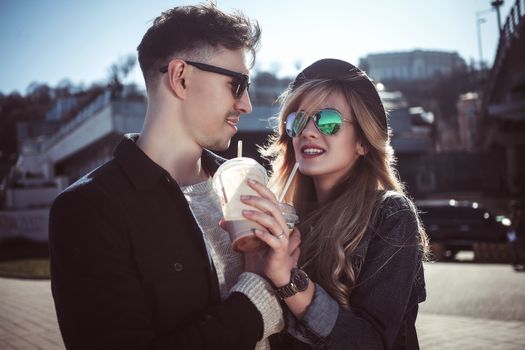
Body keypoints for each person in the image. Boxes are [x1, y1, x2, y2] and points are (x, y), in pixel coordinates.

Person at [48, 4, 287, 349]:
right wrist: (256, 303)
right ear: (181, 77)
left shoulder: (245, 184)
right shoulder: (88, 211)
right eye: (237, 84)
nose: (247, 104)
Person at [238, 59, 429, 349]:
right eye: (297, 121)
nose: (308, 131)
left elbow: (373, 343)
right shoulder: (285, 221)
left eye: (328, 121)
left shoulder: (390, 215)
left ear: (362, 142)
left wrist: (289, 281)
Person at [508, 200, 525, 271]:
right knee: (513, 248)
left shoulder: (518, 215)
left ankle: (521, 262)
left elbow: (517, 225)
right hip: (513, 234)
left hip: (519, 234)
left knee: (520, 249)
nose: (512, 209)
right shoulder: (512, 214)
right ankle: (515, 262)